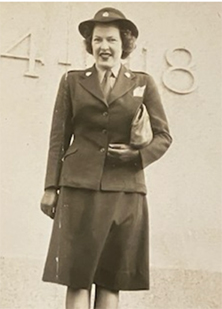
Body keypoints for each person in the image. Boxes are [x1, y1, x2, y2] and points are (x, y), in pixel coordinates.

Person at [40, 7, 172, 309]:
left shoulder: (143, 82)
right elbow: (58, 138)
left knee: (111, 279)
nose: (104, 47)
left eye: (111, 39)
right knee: (77, 276)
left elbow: (164, 137)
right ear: (90, 44)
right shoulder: (72, 81)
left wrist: (136, 157)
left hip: (125, 192)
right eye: (97, 39)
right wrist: (51, 187)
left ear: (124, 44)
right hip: (78, 189)